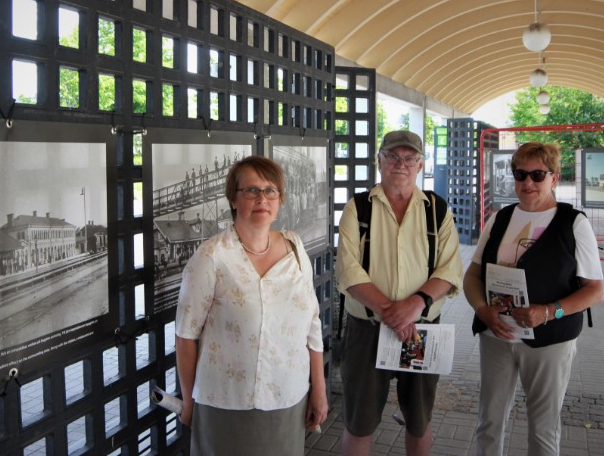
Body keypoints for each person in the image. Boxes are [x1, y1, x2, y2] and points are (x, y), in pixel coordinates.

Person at [175, 155, 328, 455]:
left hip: (288, 398)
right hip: (225, 404)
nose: (262, 199)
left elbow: (312, 324)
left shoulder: (295, 248)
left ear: (280, 198)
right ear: (233, 199)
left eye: (270, 190)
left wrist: (319, 389)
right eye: (251, 190)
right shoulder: (211, 257)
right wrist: (189, 401)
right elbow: (185, 336)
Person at [463, 142, 604, 456]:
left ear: (554, 178)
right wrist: (483, 310)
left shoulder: (573, 223)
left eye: (538, 175)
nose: (528, 182)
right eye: (520, 174)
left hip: (549, 340)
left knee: (543, 429)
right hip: (497, 335)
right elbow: (472, 275)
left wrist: (548, 312)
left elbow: (595, 290)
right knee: (488, 422)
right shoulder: (500, 218)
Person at [336, 130, 464, 456]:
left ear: (420, 164)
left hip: (421, 331)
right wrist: (394, 313)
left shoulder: (437, 209)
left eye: (409, 158)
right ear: (379, 160)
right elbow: (349, 271)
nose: (400, 164)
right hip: (367, 330)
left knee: (419, 420)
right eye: (392, 156)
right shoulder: (357, 208)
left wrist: (414, 307)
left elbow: (449, 270)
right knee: (358, 421)